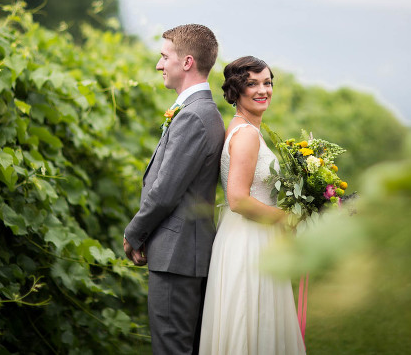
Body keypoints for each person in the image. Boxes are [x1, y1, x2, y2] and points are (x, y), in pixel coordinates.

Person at [124, 24, 226, 355]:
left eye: (164, 56)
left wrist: (134, 232)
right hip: (182, 253)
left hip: (178, 255)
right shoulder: (198, 112)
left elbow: (166, 191)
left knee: (172, 348)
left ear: (187, 62)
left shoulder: (194, 117)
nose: (158, 65)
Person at [199, 56, 306, 354]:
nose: (263, 90)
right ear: (237, 91)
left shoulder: (243, 128)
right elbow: (238, 199)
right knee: (251, 322)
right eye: (252, 84)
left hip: (249, 236)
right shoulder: (246, 135)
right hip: (248, 240)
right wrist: (286, 219)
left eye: (267, 83)